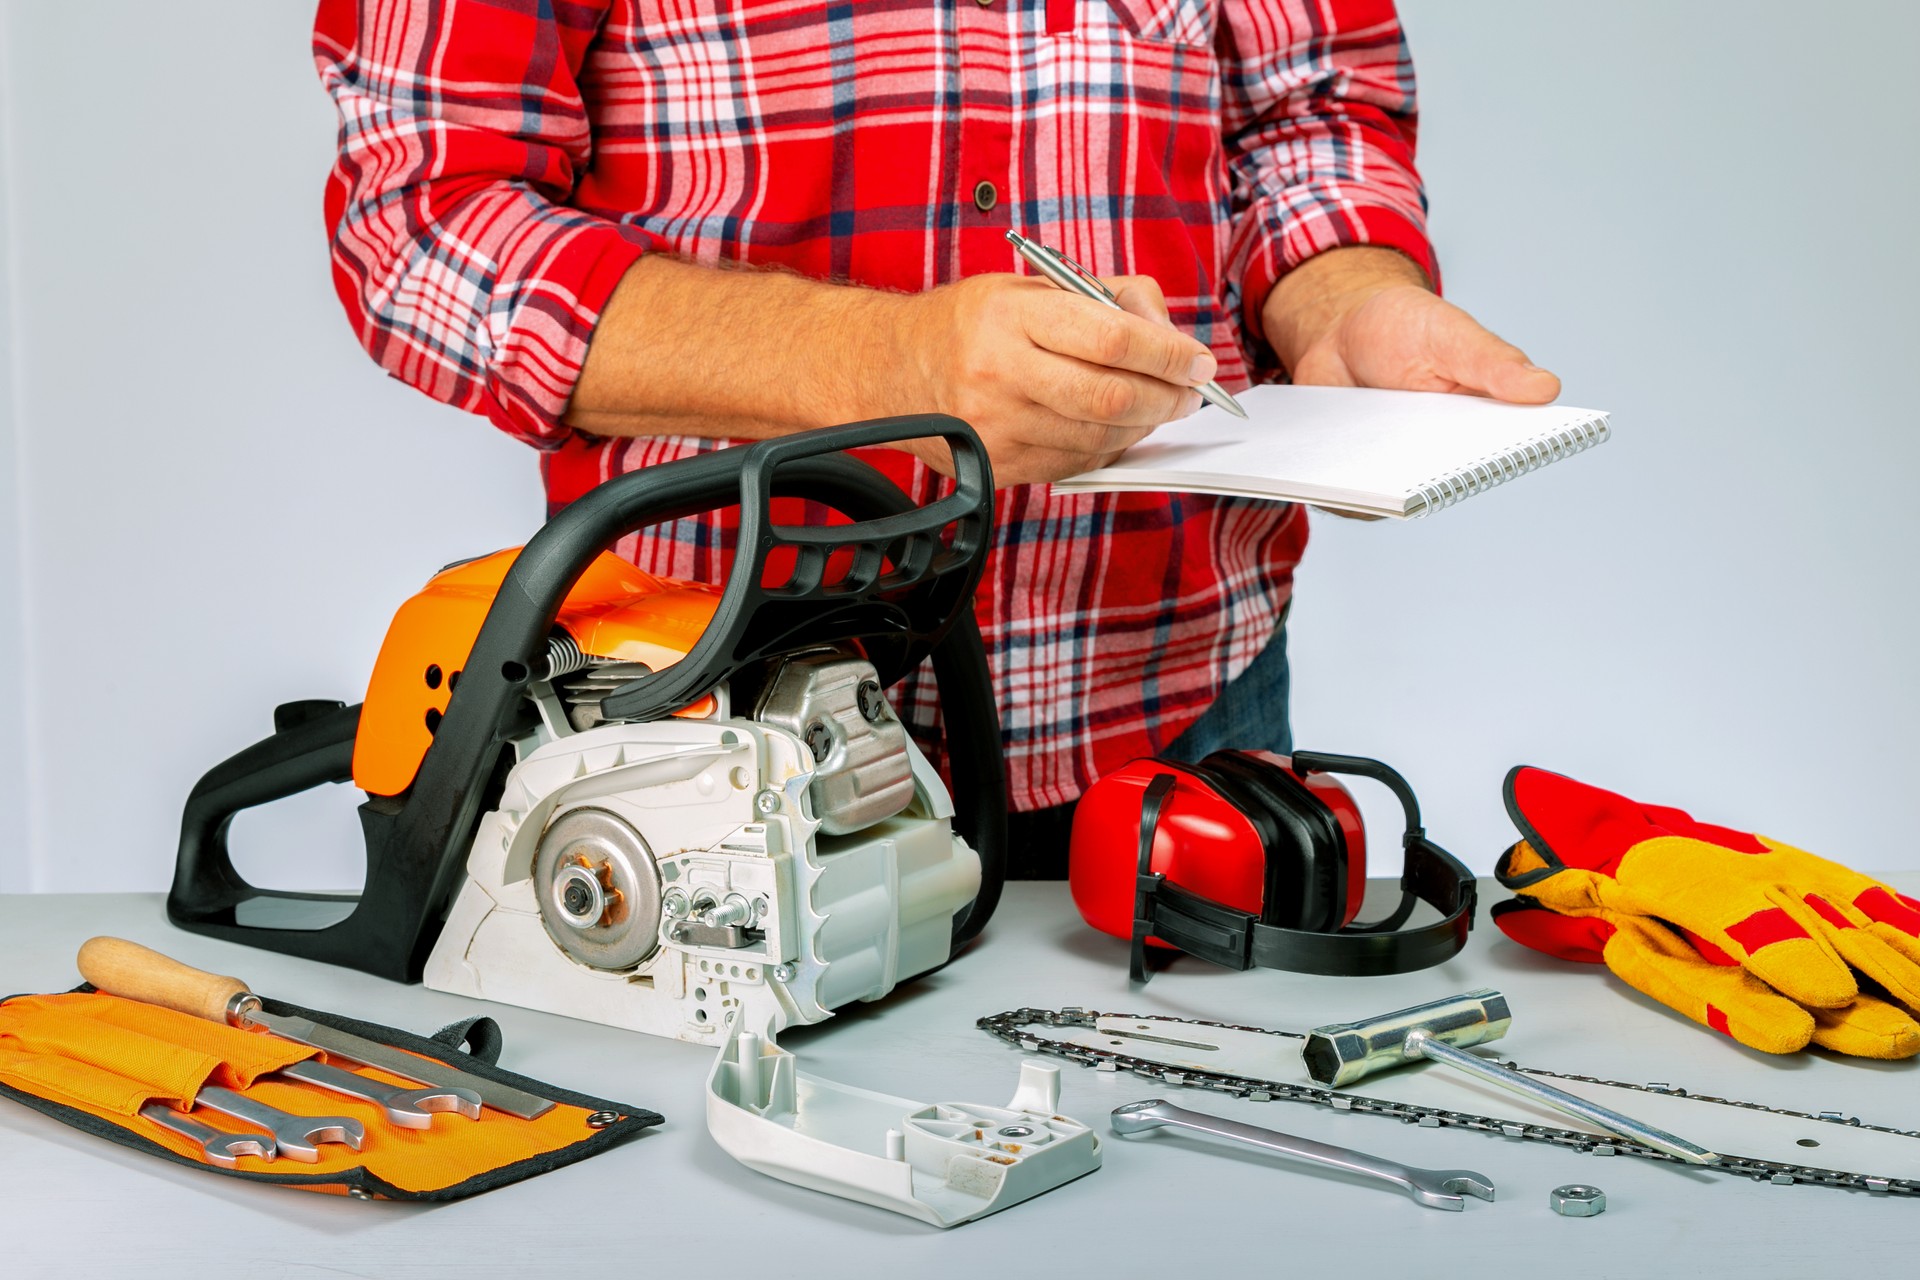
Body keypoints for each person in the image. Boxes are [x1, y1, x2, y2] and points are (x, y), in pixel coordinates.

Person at [315, 2, 1557, 876]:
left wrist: (1340, 302)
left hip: (1184, 704)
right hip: (707, 722)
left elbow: (1308, 114)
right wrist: (883, 365)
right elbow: (421, 227)